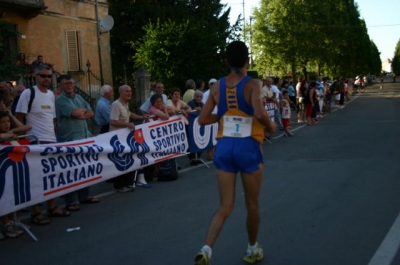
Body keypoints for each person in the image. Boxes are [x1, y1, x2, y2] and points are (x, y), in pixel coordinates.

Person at [194, 41, 276, 265]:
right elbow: (259, 112)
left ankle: (206, 249)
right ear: (248, 60)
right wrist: (271, 126)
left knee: (225, 206)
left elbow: (202, 120)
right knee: (252, 204)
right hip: (248, 147)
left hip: (224, 148)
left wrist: (223, 118)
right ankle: (252, 249)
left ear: (226, 62)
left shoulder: (216, 87)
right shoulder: (253, 84)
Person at [15, 65, 70, 225]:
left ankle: (52, 206)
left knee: (51, 176)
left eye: (48, 76)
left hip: (51, 140)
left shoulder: (51, 95)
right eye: (43, 76)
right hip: (35, 142)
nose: (46, 79)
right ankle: (36, 211)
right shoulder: (28, 93)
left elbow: (52, 118)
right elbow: (20, 117)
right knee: (36, 179)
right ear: (36, 76)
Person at [56, 75, 100, 211]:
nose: (69, 85)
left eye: (71, 83)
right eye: (66, 83)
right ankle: (70, 201)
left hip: (84, 136)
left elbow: (91, 112)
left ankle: (84, 196)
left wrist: (82, 113)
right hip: (69, 139)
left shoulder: (79, 98)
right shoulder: (60, 100)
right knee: (71, 170)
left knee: (84, 168)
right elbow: (75, 112)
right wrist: (81, 113)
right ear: (61, 86)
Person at [0, 109, 32, 238]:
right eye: (2, 122)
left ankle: (13, 221)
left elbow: (28, 127)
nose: (6, 124)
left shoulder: (12, 132)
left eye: (7, 122)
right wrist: (8, 135)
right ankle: (6, 224)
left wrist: (11, 116)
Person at [110, 85, 147, 192]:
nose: (129, 93)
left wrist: (141, 117)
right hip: (116, 137)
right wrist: (127, 124)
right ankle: (120, 185)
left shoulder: (125, 103)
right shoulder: (116, 104)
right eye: (127, 91)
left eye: (130, 91)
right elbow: (113, 121)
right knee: (120, 160)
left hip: (124, 136)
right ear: (121, 92)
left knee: (128, 159)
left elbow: (129, 114)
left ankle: (127, 183)